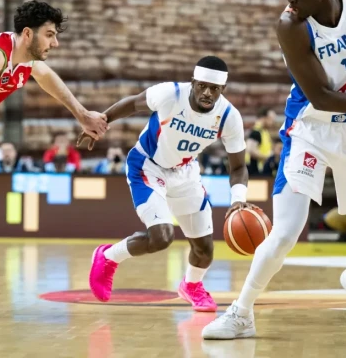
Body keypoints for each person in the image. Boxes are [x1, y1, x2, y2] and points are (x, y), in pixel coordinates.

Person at [202, 0, 346, 339]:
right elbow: (322, 97)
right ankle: (241, 312)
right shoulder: (291, 25)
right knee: (285, 232)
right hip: (310, 128)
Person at [0, 0, 108, 316]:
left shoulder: (25, 61)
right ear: (27, 34)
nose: (55, 43)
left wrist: (82, 115)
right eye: (49, 35)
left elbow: (46, 76)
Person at [78, 56, 255, 311]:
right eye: (202, 86)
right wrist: (100, 122)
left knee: (205, 249)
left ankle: (191, 285)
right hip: (148, 166)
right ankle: (107, 257)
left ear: (222, 89)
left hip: (185, 173)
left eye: (214, 88)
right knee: (162, 237)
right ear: (193, 82)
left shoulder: (229, 116)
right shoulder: (170, 94)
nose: (207, 93)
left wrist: (238, 200)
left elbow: (238, 166)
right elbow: (133, 104)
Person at [245, 107, 276, 175]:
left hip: (262, 169)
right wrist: (267, 157)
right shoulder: (256, 132)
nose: (272, 122)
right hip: (256, 171)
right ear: (264, 118)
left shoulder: (264, 132)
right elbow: (250, 150)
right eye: (271, 119)